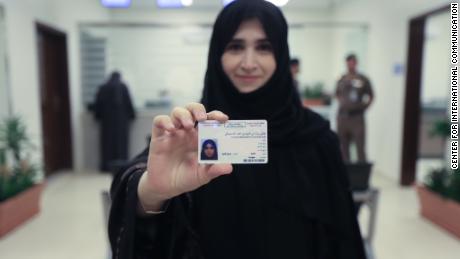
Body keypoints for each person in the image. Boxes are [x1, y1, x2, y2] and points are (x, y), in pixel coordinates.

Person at [108, 1, 366, 259]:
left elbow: (342, 236)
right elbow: (142, 183)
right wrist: (154, 193)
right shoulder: (192, 132)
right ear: (217, 53)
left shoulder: (316, 137)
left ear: (281, 55)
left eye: (264, 47)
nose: (249, 63)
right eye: (235, 47)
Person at [93, 71, 136, 172]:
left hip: (107, 123)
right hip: (122, 123)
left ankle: (106, 167)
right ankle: (122, 167)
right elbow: (129, 104)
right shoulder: (123, 87)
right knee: (121, 144)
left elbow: (98, 106)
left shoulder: (103, 87)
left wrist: (98, 116)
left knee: (107, 145)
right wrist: (132, 116)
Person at [335, 54, 374, 163]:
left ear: (356, 63)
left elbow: (371, 96)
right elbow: (337, 94)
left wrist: (364, 107)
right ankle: (346, 176)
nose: (350, 64)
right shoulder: (341, 78)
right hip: (343, 118)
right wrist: (343, 102)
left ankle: (362, 177)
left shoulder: (363, 79)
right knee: (343, 148)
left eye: (352, 62)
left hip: (357, 118)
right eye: (348, 62)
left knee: (360, 148)